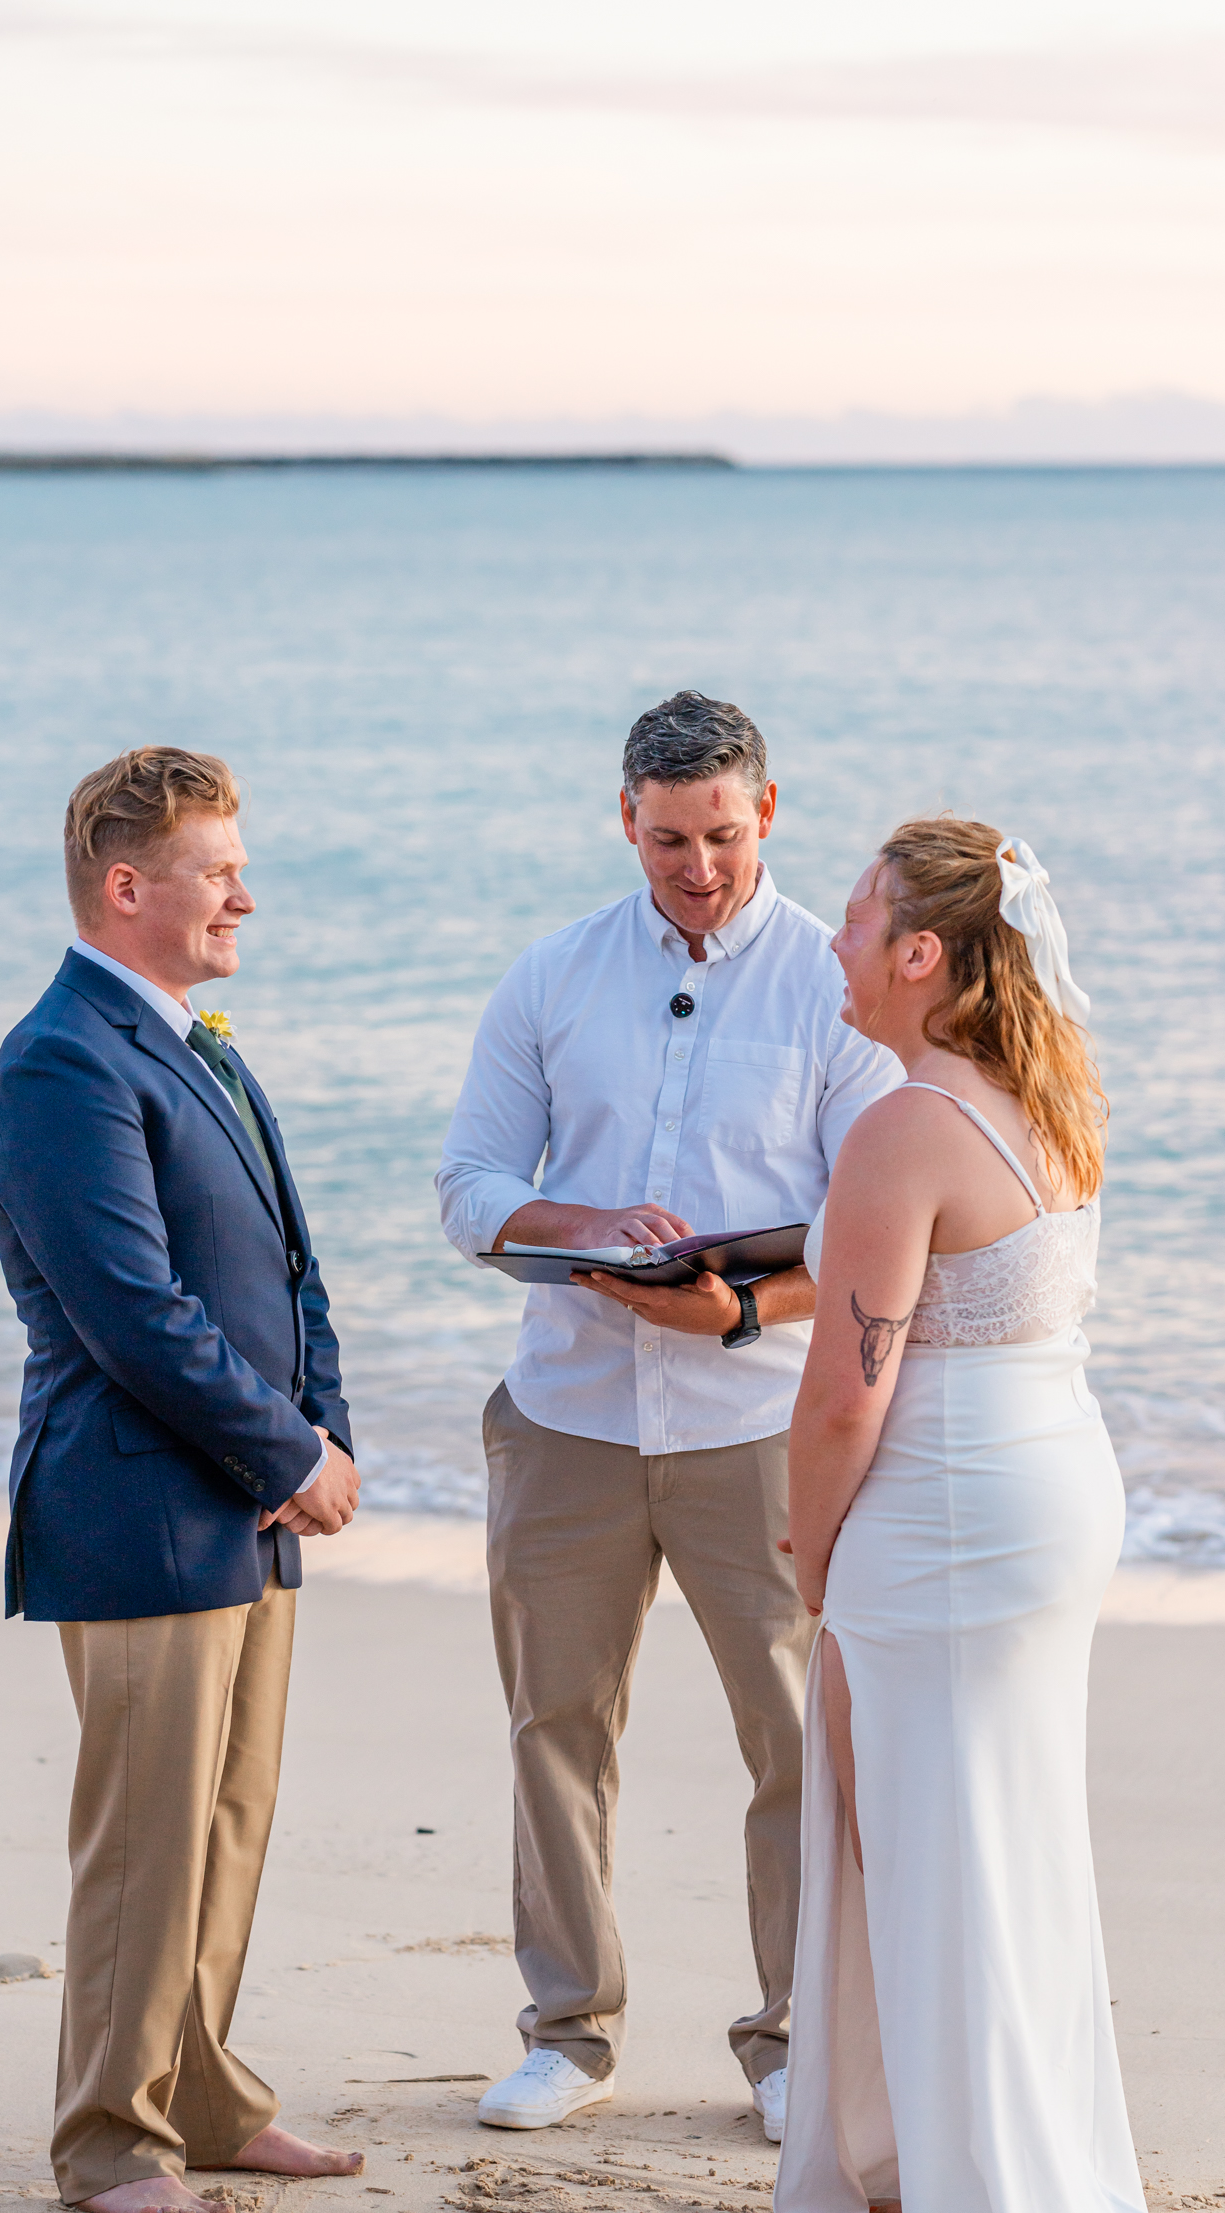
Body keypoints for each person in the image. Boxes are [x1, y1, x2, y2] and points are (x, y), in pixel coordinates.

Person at [437, 692, 902, 2137]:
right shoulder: (553, 975)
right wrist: (586, 1224)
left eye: (717, 835)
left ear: (767, 813)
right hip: (566, 1414)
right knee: (553, 1726)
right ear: (621, 821)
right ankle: (567, 2033)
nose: (694, 868)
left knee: (792, 1742)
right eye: (663, 840)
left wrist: (742, 1309)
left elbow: (874, 1228)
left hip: (755, 1426)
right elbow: (470, 1188)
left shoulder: (839, 991)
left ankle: (788, 2047)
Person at [773, 818, 1209, 2213]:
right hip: (1052, 1485)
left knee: (927, 1847)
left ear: (921, 956)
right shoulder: (1049, 1097)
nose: (830, 943)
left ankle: (962, 2197)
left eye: (852, 921)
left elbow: (847, 1391)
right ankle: (975, 2160)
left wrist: (808, 1550)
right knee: (996, 1833)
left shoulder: (905, 1128)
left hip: (949, 1513)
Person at [0, 746, 366, 2213]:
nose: (243, 899)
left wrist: (320, 1432)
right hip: (139, 1505)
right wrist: (283, 1454)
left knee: (228, 1817)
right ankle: (108, 2141)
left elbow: (284, 1265)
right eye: (218, 874)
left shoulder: (193, 1036)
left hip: (248, 1502)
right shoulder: (60, 1056)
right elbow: (128, 1309)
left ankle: (201, 2095)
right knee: (144, 1834)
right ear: (128, 888)